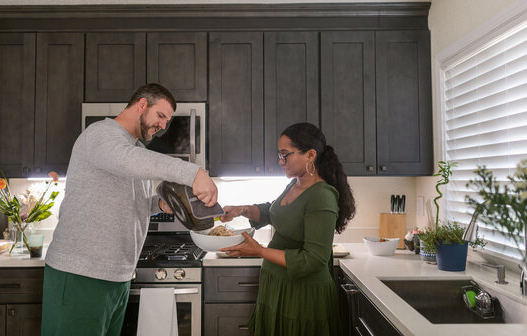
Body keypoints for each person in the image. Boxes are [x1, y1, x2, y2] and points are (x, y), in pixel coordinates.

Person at [41, 83, 217, 335]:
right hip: (81, 272)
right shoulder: (101, 133)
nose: (163, 127)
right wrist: (193, 173)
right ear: (142, 104)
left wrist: (159, 203)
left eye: (167, 121)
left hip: (118, 276)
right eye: (161, 116)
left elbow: (135, 203)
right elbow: (124, 160)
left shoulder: (136, 150)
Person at [220, 122, 356, 336]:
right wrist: (242, 209)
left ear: (310, 155)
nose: (279, 161)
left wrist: (260, 251)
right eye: (279, 154)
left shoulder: (322, 196)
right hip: (277, 285)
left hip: (303, 295)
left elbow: (313, 260)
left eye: (285, 155)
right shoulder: (295, 184)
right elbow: (273, 212)